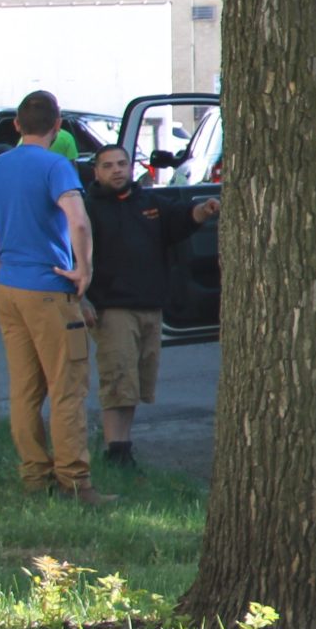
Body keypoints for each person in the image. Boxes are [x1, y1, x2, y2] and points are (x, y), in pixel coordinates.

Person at [0, 90, 105, 503]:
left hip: (9, 291)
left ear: (18, 126)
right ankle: (75, 481)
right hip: (51, 292)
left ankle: (34, 478)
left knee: (24, 389)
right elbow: (78, 221)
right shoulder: (57, 166)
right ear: (58, 126)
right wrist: (84, 269)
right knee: (67, 387)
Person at [82, 144, 216, 467]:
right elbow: (73, 258)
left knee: (138, 383)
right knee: (118, 380)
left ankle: (123, 447)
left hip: (150, 307)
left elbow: (181, 219)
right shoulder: (87, 210)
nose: (117, 170)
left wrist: (203, 211)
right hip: (112, 307)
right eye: (108, 166)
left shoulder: (149, 202)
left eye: (122, 164)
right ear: (96, 172)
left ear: (131, 168)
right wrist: (81, 297)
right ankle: (115, 451)